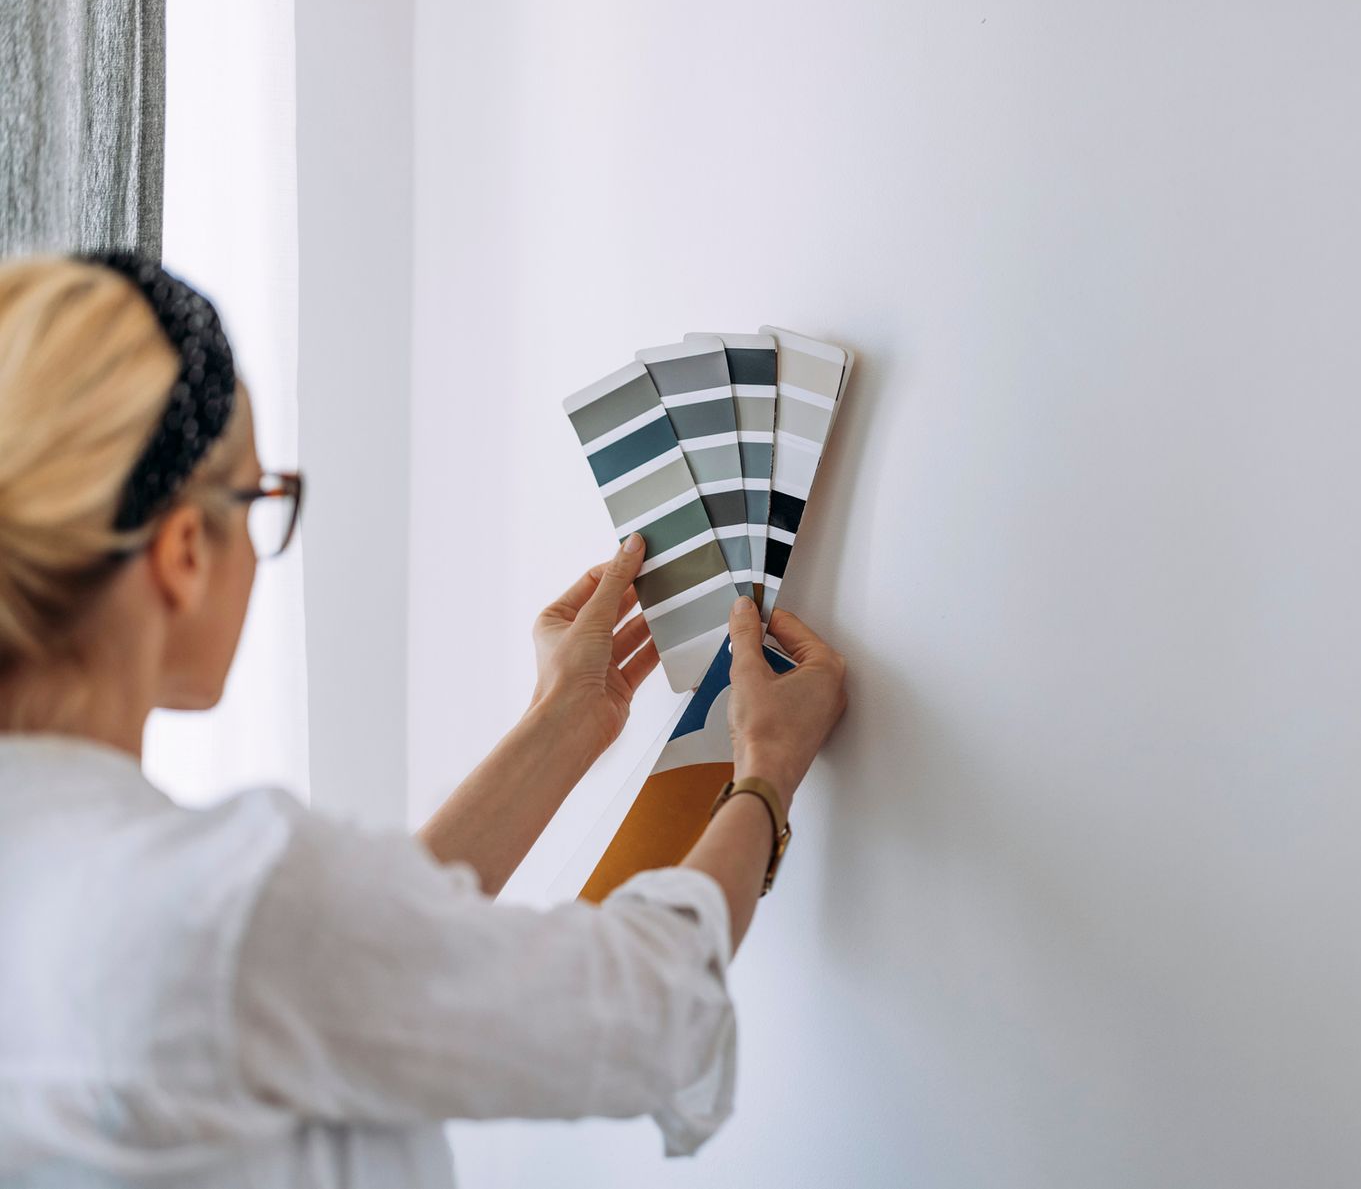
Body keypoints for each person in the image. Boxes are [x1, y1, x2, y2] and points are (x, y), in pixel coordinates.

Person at [0, 253, 848, 1186]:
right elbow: (649, 1003)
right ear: (184, 551)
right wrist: (764, 772)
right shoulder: (226, 905)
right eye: (259, 498)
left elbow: (352, 958)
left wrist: (560, 723)